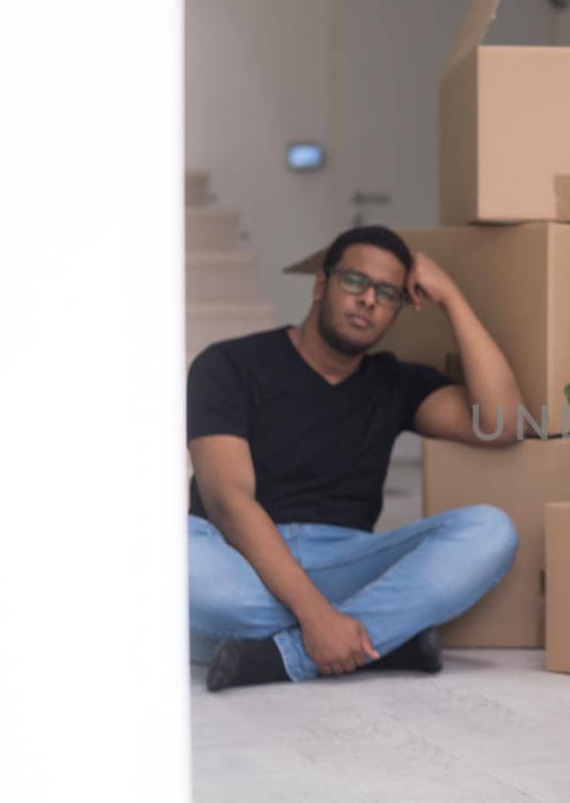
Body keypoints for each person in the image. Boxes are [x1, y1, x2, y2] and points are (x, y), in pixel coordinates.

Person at [187, 225, 523, 692]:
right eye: (354, 282)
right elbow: (228, 503)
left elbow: (503, 423)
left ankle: (285, 655)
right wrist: (316, 615)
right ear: (321, 284)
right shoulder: (228, 365)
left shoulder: (394, 383)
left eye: (387, 293)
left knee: (491, 532)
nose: (369, 299)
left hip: (344, 558)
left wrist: (453, 298)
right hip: (236, 554)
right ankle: (382, 638)